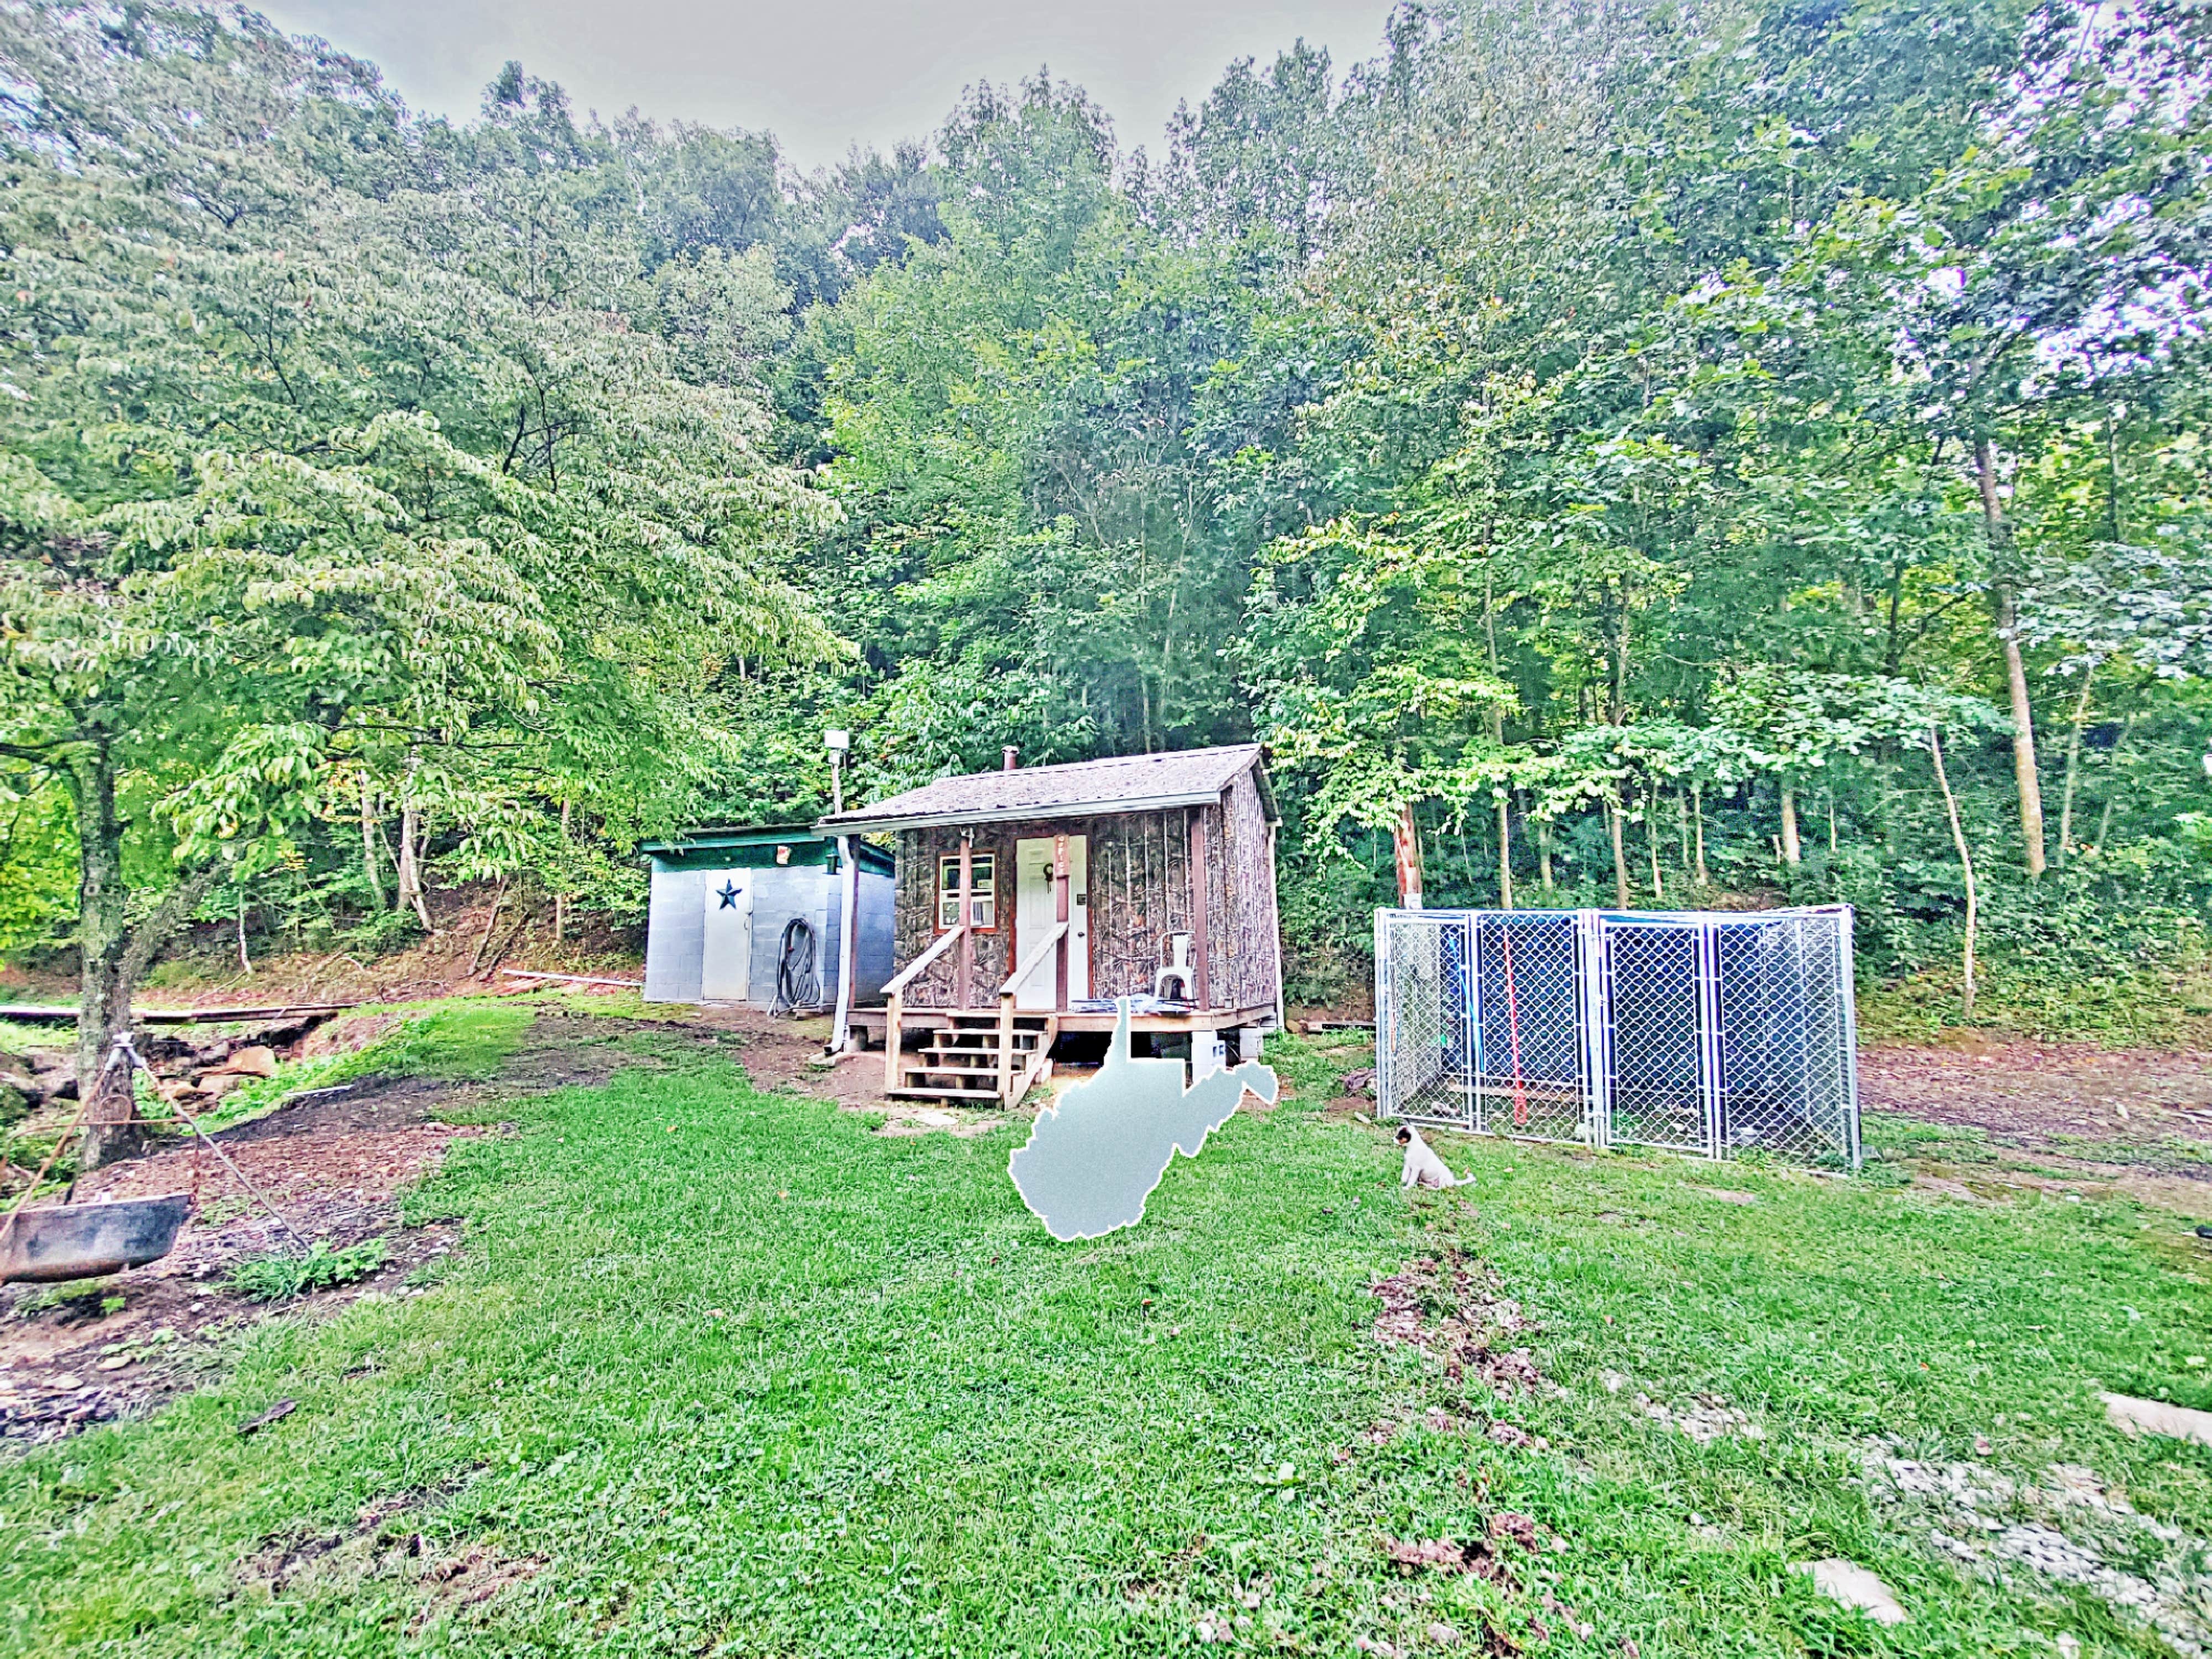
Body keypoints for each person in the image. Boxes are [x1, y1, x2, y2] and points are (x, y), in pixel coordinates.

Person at [1397, 1123, 1472, 1189]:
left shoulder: (1420, 1150)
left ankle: (1438, 1187)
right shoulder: (1411, 1150)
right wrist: (1403, 1181)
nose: (1398, 1140)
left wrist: (1409, 1186)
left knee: (1443, 1172)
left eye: (1400, 1138)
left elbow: (1416, 1170)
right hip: (1428, 1178)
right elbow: (1408, 1167)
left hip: (1439, 1178)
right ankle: (1425, 1184)